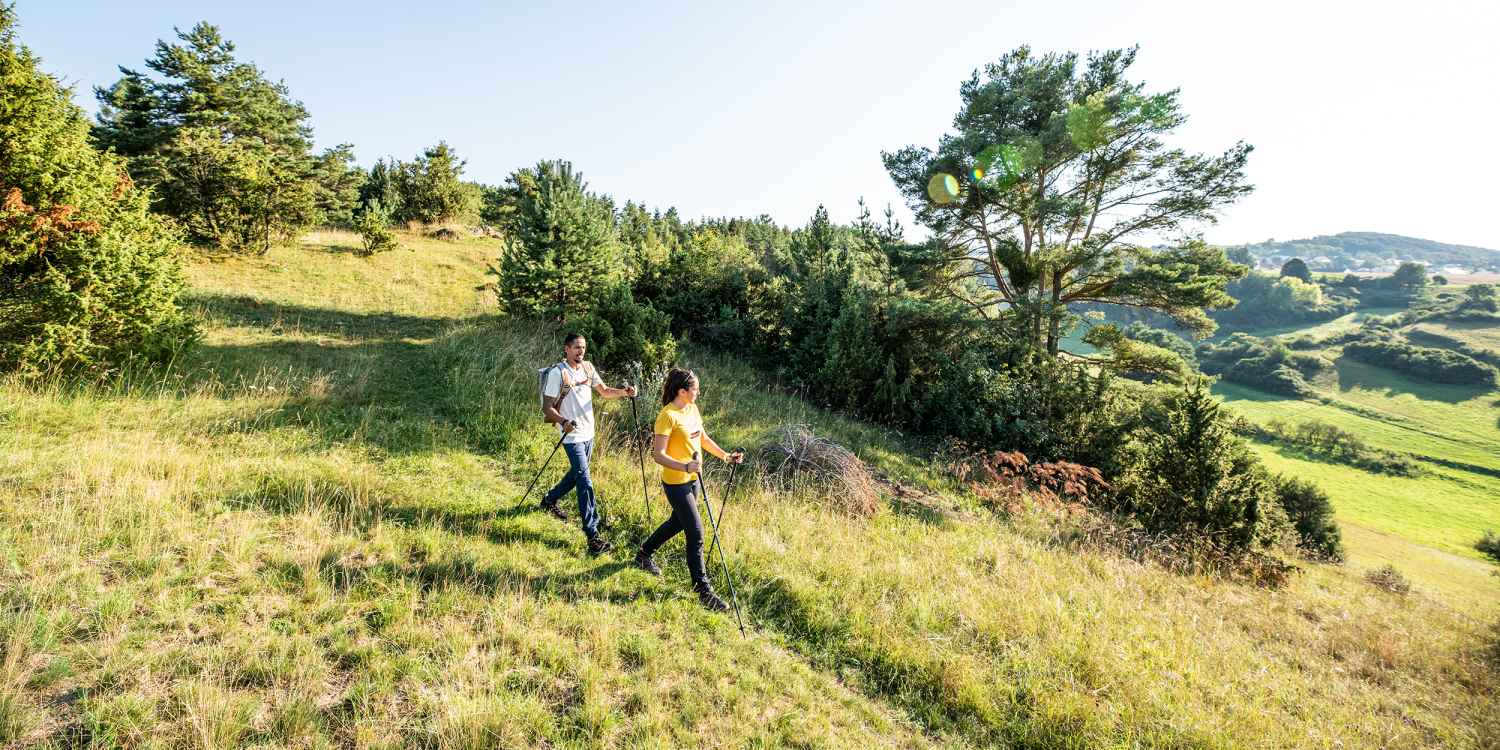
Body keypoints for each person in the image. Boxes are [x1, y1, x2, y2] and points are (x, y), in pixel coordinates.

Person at [634, 367, 744, 610]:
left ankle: (643, 554)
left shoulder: (691, 408)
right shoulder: (668, 416)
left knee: (677, 523)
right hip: (676, 482)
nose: (699, 392)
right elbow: (658, 455)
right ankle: (702, 590)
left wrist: (726, 456)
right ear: (682, 391)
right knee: (696, 533)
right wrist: (685, 466)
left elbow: (701, 438)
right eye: (695, 388)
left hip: (693, 479)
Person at [540, 333, 636, 555]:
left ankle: (549, 500)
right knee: (585, 480)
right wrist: (563, 421)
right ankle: (593, 536)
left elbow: (604, 391)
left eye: (583, 347)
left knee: (576, 475)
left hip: (589, 433)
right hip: (571, 435)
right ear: (566, 349)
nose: (580, 351)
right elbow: (547, 408)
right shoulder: (558, 373)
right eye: (576, 347)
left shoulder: (588, 368)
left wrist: (625, 392)